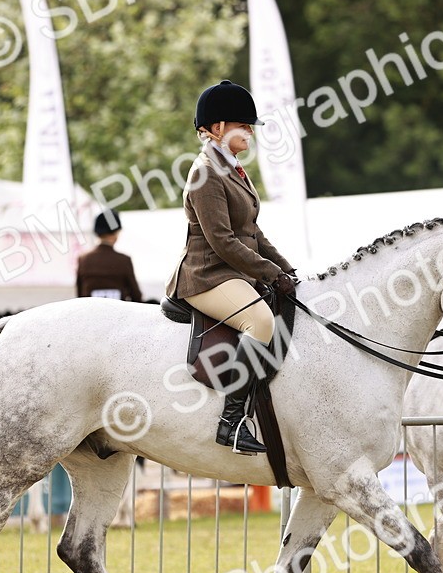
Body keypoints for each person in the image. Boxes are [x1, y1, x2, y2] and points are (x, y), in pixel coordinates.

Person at [165, 79, 297, 455]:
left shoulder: (233, 168)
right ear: (218, 127)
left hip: (231, 271)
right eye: (244, 124)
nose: (251, 131)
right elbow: (223, 240)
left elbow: (252, 232)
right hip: (205, 275)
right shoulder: (205, 173)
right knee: (260, 322)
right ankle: (232, 423)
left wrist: (287, 269)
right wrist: (269, 274)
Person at [76, 209, 144, 302]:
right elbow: (136, 296)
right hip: (119, 315)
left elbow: (79, 296)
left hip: (90, 314)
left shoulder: (83, 259)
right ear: (116, 233)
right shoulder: (124, 260)